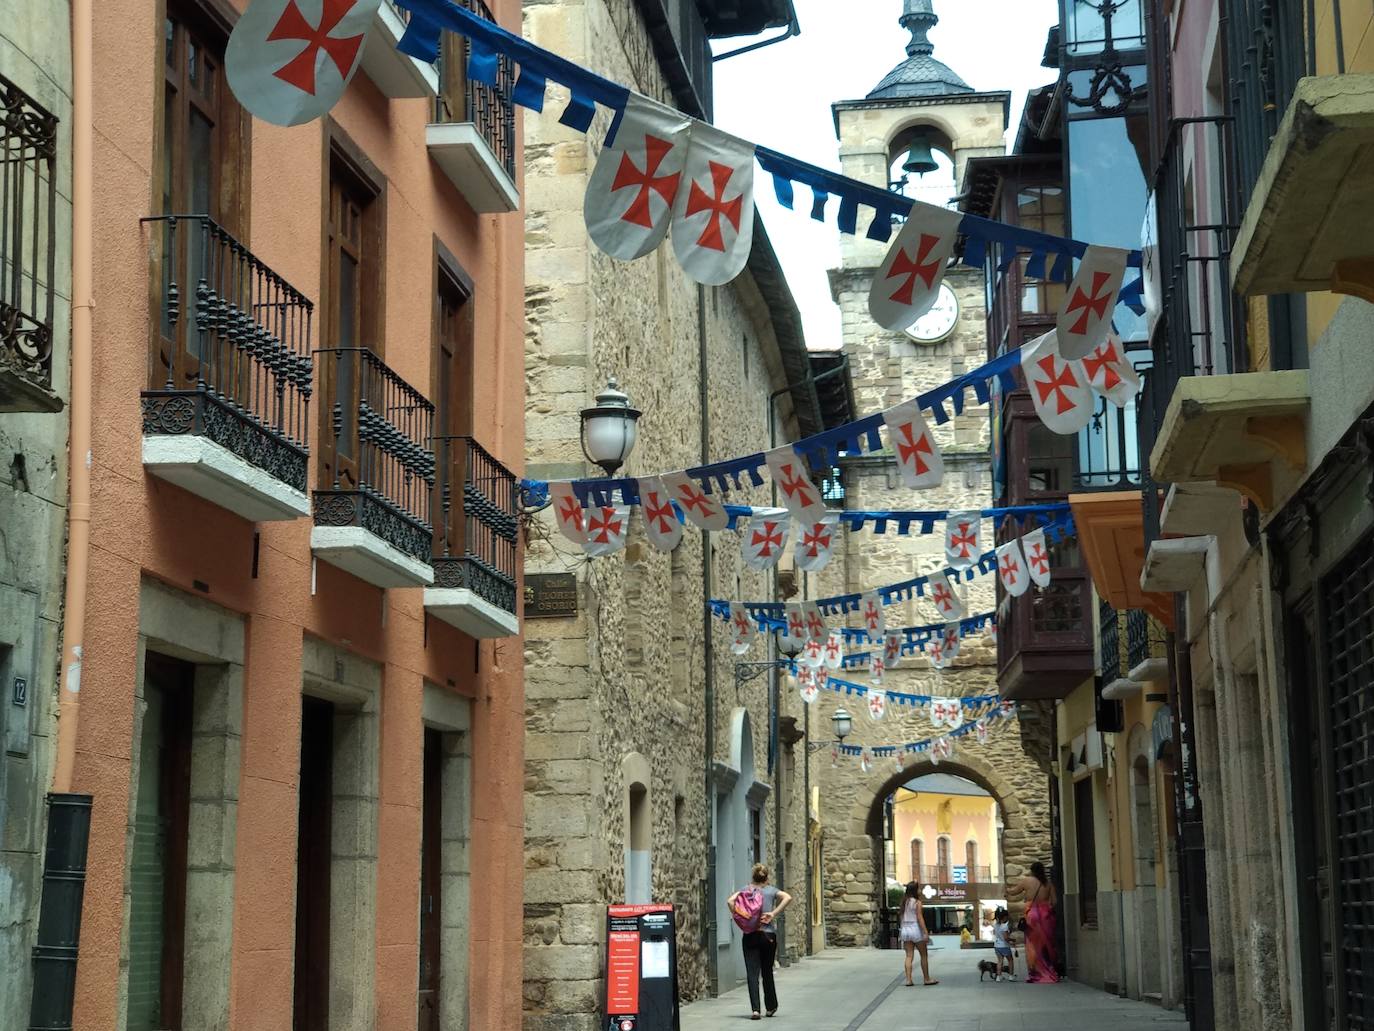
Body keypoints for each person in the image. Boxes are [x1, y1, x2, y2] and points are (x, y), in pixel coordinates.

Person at [727, 864, 793, 1020]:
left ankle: (755, 1010)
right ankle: (770, 1007)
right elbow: (787, 897)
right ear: (766, 877)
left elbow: (730, 901)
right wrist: (773, 913)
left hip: (750, 935)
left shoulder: (745, 890)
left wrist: (742, 918)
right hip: (767, 935)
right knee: (767, 972)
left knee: (752, 973)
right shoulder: (771, 890)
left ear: (753, 877)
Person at [1007, 861, 1060, 983]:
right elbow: (1055, 901)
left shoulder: (1026, 881)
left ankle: (1036, 973)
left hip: (1032, 915)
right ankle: (1050, 971)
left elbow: (1014, 891)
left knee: (1032, 946)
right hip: (1046, 916)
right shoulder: (1048, 884)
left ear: (1032, 871)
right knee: (1046, 944)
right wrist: (1047, 907)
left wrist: (1006, 891)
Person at [897, 882, 938, 987]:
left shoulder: (903, 902)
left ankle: (908, 980)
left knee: (909, 955)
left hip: (905, 929)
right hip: (915, 929)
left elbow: (901, 917)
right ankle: (926, 978)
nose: (920, 890)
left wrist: (902, 931)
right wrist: (925, 932)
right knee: (923, 955)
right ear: (915, 891)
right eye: (918, 889)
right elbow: (919, 918)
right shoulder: (917, 903)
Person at [992, 907, 1017, 981]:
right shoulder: (1004, 926)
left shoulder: (996, 925)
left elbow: (994, 933)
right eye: (1007, 917)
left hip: (996, 945)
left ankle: (998, 977)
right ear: (1004, 917)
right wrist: (1012, 940)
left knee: (1000, 961)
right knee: (1010, 960)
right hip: (1004, 946)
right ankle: (1011, 976)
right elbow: (1006, 938)